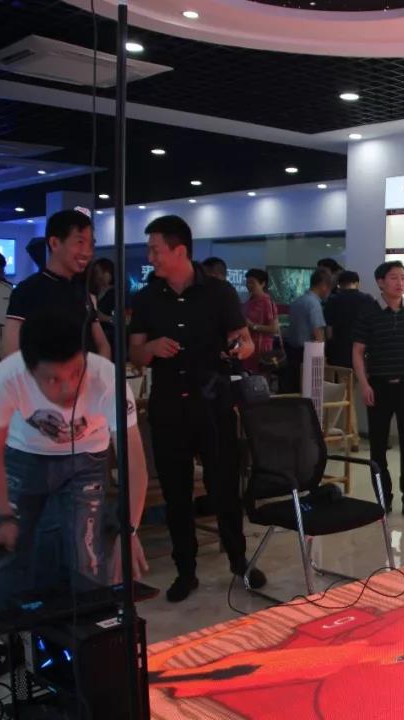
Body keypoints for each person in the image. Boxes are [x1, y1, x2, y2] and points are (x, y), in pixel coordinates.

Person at [128, 215, 261, 602]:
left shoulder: (218, 292)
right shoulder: (147, 297)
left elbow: (246, 342)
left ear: (179, 250)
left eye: (155, 249)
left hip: (214, 403)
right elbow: (135, 352)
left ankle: (239, 560)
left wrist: (238, 349)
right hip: (168, 405)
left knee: (224, 487)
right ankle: (185, 570)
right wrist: (151, 349)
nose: (150, 257)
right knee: (177, 492)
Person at [0, 306, 148, 611]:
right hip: (24, 459)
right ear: (29, 370)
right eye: (53, 379)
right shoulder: (4, 379)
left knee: (88, 558)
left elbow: (134, 461)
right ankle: (16, 636)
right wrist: (2, 514)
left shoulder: (107, 379)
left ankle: (90, 631)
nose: (68, 387)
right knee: (14, 554)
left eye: (75, 373)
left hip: (88, 461)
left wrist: (129, 530)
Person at [352, 261, 404, 521]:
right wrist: (364, 384)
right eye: (394, 278)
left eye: (403, 278)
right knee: (378, 446)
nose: (400, 283)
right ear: (380, 282)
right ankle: (382, 500)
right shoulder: (367, 312)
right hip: (379, 385)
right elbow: (357, 351)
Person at [3, 209, 111, 360]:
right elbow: (10, 353)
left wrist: (98, 371)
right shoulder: (28, 290)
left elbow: (102, 345)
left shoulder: (81, 290)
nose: (87, 252)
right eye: (80, 242)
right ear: (54, 243)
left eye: (90, 244)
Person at [281, 269, 331, 393]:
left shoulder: (297, 302)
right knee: (308, 392)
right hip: (308, 355)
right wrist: (323, 359)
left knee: (294, 390)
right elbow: (318, 333)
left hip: (292, 353)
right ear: (323, 286)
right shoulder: (314, 304)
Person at [325, 270, 374, 368]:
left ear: (339, 284)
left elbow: (329, 331)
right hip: (361, 350)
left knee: (338, 377)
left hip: (337, 351)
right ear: (357, 283)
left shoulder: (332, 300)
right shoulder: (367, 299)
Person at [243, 268, 279, 373]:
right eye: (247, 282)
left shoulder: (267, 302)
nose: (249, 285)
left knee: (260, 378)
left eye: (252, 283)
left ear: (262, 284)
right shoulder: (249, 301)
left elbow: (274, 328)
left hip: (262, 349)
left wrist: (252, 326)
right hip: (248, 347)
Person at [91, 257, 117, 353]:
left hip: (111, 336)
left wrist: (105, 318)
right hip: (93, 338)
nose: (99, 276)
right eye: (96, 272)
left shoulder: (116, 293)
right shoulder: (93, 292)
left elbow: (125, 320)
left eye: (103, 272)